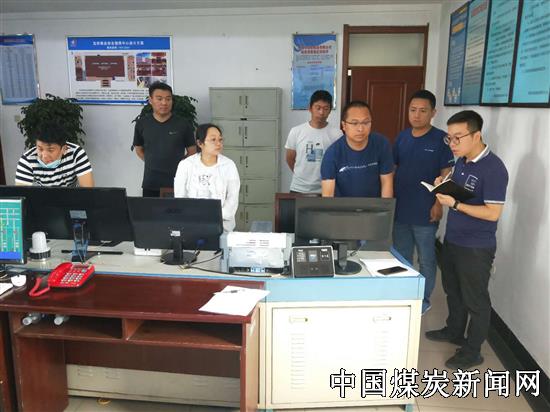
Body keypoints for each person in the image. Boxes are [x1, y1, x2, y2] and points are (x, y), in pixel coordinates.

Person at [426, 110, 508, 370]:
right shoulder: (461, 161)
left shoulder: (494, 168)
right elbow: (459, 188)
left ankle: (472, 352)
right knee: (453, 291)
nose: (452, 143)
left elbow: (493, 213)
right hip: (454, 240)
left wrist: (455, 204)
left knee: (476, 300)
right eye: (449, 138)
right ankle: (454, 331)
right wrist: (443, 183)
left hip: (476, 247)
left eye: (458, 137)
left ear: (477, 135)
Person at [392, 90, 454, 314]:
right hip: (401, 209)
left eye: (423, 111)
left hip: (426, 210)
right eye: (413, 110)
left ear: (433, 113)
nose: (417, 115)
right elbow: (393, 169)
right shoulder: (402, 137)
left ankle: (423, 300)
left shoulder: (441, 140)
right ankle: (404, 296)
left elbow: (446, 174)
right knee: (402, 256)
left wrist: (438, 204)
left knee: (427, 258)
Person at [133, 82, 196, 197]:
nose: (164, 103)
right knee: (149, 209)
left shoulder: (183, 124)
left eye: (168, 99)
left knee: (176, 209)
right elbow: (138, 149)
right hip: (151, 182)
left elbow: (192, 151)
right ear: (150, 100)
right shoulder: (142, 123)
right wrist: (153, 162)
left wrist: (180, 166)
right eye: (159, 99)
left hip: (177, 182)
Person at [174, 123, 240, 232]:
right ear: (200, 143)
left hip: (222, 226)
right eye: (213, 140)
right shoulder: (186, 165)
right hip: (191, 226)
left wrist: (215, 217)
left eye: (220, 139)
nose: (218, 143)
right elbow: (180, 198)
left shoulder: (229, 165)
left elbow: (232, 200)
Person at [320, 100, 393, 198]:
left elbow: (387, 183)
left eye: (366, 122)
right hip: (343, 206)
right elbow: (328, 195)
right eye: (354, 123)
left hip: (374, 206)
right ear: (344, 125)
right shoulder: (332, 154)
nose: (360, 129)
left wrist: (385, 207)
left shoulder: (382, 144)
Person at [285, 90, 342, 193]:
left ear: (330, 110)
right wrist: (302, 177)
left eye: (326, 108)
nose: (321, 112)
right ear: (310, 108)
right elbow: (290, 158)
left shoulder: (337, 134)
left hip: (326, 189)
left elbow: (340, 161)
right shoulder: (296, 131)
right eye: (318, 108)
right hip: (299, 188)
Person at [15, 123, 94, 187]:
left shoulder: (76, 154)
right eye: (40, 149)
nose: (44, 156)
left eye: (50, 150)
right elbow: (21, 195)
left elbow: (87, 191)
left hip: (72, 197)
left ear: (64, 149)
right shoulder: (27, 159)